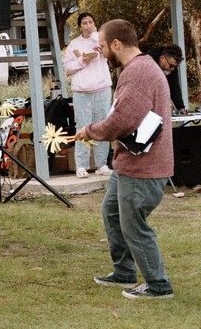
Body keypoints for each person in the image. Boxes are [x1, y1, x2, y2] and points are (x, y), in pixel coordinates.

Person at [74, 19, 174, 299]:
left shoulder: (138, 72)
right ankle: (124, 271)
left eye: (103, 46)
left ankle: (158, 285)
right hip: (129, 162)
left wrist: (90, 130)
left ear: (117, 44)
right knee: (112, 212)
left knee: (134, 226)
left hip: (143, 166)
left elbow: (122, 120)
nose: (101, 52)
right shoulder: (140, 67)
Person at [63, 12, 113, 178]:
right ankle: (81, 165)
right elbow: (68, 67)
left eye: (91, 22)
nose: (88, 25)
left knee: (102, 125)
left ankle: (102, 164)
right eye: (84, 23)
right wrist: (82, 61)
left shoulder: (100, 39)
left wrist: (94, 36)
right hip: (82, 90)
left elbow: (109, 54)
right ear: (79, 27)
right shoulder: (74, 44)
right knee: (82, 126)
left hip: (102, 88)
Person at [147, 44, 186, 111]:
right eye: (171, 66)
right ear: (162, 59)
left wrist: (181, 108)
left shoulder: (171, 65)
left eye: (175, 66)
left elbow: (174, 87)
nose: (172, 69)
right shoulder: (148, 63)